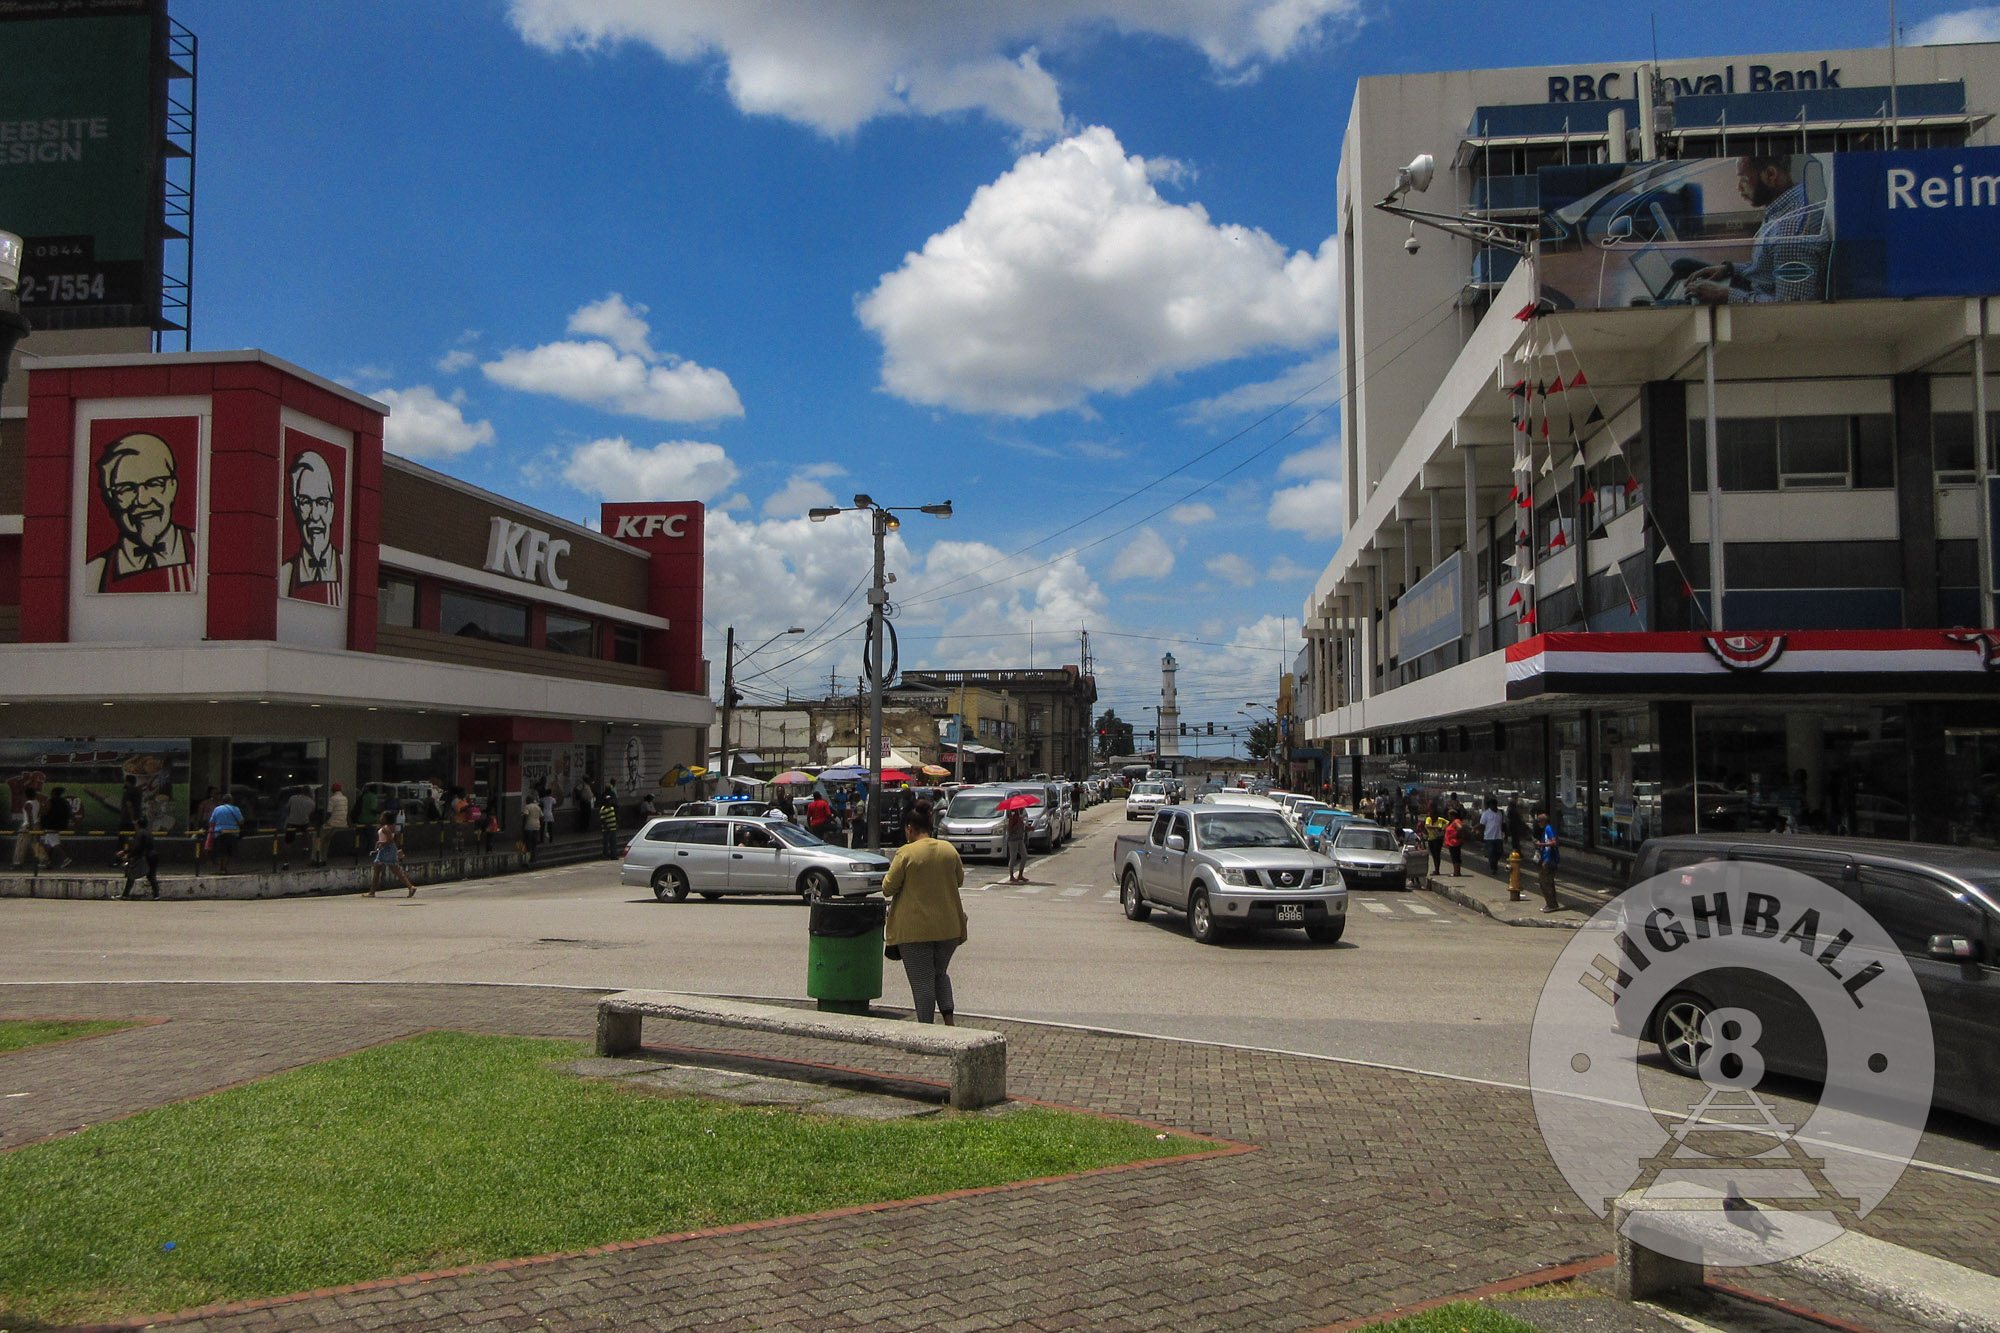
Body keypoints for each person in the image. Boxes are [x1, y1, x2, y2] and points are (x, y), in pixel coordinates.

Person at [1686, 156, 1827, 306]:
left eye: (1744, 179)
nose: (1739, 187)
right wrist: (1729, 269)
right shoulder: (1786, 208)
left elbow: (1789, 307)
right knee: (1683, 266)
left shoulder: (1789, 232)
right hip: (1754, 291)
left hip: (1760, 316)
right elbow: (1767, 268)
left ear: (1771, 175)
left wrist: (1724, 294)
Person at [881, 799, 968, 1026]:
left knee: (922, 984)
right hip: (949, 928)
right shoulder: (948, 849)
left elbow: (887, 888)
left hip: (914, 930)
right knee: (940, 974)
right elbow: (959, 880)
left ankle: (926, 1029)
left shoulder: (906, 853)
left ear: (909, 828)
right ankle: (949, 1022)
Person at [85, 431, 198, 593]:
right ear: (111, 497)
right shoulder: (93, 575)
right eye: (126, 489)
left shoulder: (204, 552)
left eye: (155, 484)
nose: (142, 500)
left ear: (173, 487)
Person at [281, 448, 344, 605]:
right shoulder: (284, 575)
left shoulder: (347, 569)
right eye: (305, 502)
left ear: (332, 508)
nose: (314, 515)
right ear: (296, 506)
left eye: (321, 502)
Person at [369, 809, 416, 897]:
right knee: (395, 870)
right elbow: (395, 839)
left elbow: (390, 840)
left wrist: (379, 843)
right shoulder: (392, 827)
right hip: (388, 849)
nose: (380, 818)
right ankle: (410, 886)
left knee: (378, 870)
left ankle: (372, 892)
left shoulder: (386, 828)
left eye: (382, 816)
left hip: (385, 850)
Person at [206, 791, 243, 875]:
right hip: (232, 832)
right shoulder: (235, 809)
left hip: (219, 832)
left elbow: (212, 821)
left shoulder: (217, 809)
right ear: (231, 801)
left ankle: (221, 867)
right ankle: (224, 867)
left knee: (221, 851)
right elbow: (241, 821)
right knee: (228, 851)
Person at [280, 786, 316, 870]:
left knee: (288, 842)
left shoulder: (293, 798)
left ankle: (286, 862)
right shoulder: (312, 802)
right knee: (306, 833)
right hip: (304, 822)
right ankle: (306, 847)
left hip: (292, 822)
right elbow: (310, 814)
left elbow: (287, 808)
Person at [120, 824, 160, 899]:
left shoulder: (139, 833)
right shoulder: (149, 833)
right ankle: (156, 895)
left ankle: (125, 895)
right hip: (153, 855)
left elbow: (137, 847)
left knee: (131, 874)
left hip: (144, 856)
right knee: (151, 876)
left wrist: (128, 854)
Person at [1535, 807, 1561, 913]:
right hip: (1545, 857)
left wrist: (1541, 844)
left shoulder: (1549, 829)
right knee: (1543, 882)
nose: (1538, 823)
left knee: (1546, 882)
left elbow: (1554, 842)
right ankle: (1549, 903)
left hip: (1549, 859)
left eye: (1539, 821)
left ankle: (1552, 904)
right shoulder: (1546, 830)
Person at [41, 786, 73, 869]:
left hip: (51, 824)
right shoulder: (65, 802)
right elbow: (69, 813)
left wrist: (42, 811)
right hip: (60, 824)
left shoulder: (50, 801)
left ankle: (66, 858)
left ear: (53, 793)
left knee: (54, 843)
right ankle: (46, 861)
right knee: (48, 843)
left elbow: (45, 811)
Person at [1479, 797, 1507, 877]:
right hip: (1489, 836)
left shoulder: (1500, 813)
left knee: (1499, 852)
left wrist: (1506, 834)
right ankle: (1493, 868)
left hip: (1498, 836)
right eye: (1491, 805)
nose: (1493, 806)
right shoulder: (1486, 813)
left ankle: (1495, 863)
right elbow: (1482, 824)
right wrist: (1481, 835)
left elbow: (1503, 824)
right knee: (1491, 853)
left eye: (1494, 805)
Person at [1003, 803, 1029, 884]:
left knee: (1024, 856)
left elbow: (1023, 828)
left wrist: (1028, 828)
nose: (1022, 810)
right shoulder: (1012, 818)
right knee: (1013, 857)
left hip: (1020, 839)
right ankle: (1011, 876)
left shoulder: (1020, 818)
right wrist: (1017, 824)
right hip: (1013, 840)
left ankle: (1020, 874)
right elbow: (1010, 830)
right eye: (1020, 809)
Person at [1422, 806, 1448, 875]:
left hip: (1438, 838)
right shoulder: (1428, 819)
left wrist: (1443, 828)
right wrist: (1437, 827)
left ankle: (1437, 869)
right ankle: (1435, 868)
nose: (1433, 817)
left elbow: (1448, 823)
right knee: (1433, 854)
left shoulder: (1440, 819)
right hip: (1431, 838)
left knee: (1437, 854)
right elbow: (1427, 826)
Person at [597, 788, 620, 858]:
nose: (609, 802)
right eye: (608, 801)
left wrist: (616, 824)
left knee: (613, 842)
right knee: (606, 843)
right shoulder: (603, 809)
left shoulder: (612, 808)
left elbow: (614, 817)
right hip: (606, 829)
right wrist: (607, 827)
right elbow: (602, 820)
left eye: (610, 800)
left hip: (613, 828)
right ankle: (605, 855)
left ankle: (613, 855)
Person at [1443, 807, 1465, 877]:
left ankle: (1456, 872)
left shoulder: (1456, 821)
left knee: (1455, 857)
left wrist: (1457, 835)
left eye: (1449, 815)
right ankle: (1456, 871)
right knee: (1454, 857)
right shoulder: (1453, 822)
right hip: (1452, 843)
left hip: (1454, 842)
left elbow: (1460, 828)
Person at [521, 795, 543, 861]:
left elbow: (525, 816)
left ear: (528, 800)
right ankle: (534, 857)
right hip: (536, 826)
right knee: (534, 843)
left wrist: (523, 826)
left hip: (528, 826)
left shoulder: (527, 807)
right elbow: (542, 816)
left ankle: (528, 858)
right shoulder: (537, 807)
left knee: (528, 842)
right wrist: (540, 824)